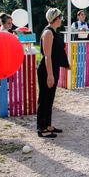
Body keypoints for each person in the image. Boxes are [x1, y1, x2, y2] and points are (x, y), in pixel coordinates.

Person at [36, 8, 70, 138]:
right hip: (46, 70)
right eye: (60, 17)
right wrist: (50, 75)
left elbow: (57, 52)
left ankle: (48, 125)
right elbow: (47, 56)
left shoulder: (54, 32)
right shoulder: (48, 33)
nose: (62, 20)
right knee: (44, 98)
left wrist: (65, 64)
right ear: (55, 19)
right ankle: (42, 128)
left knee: (49, 99)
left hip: (52, 68)